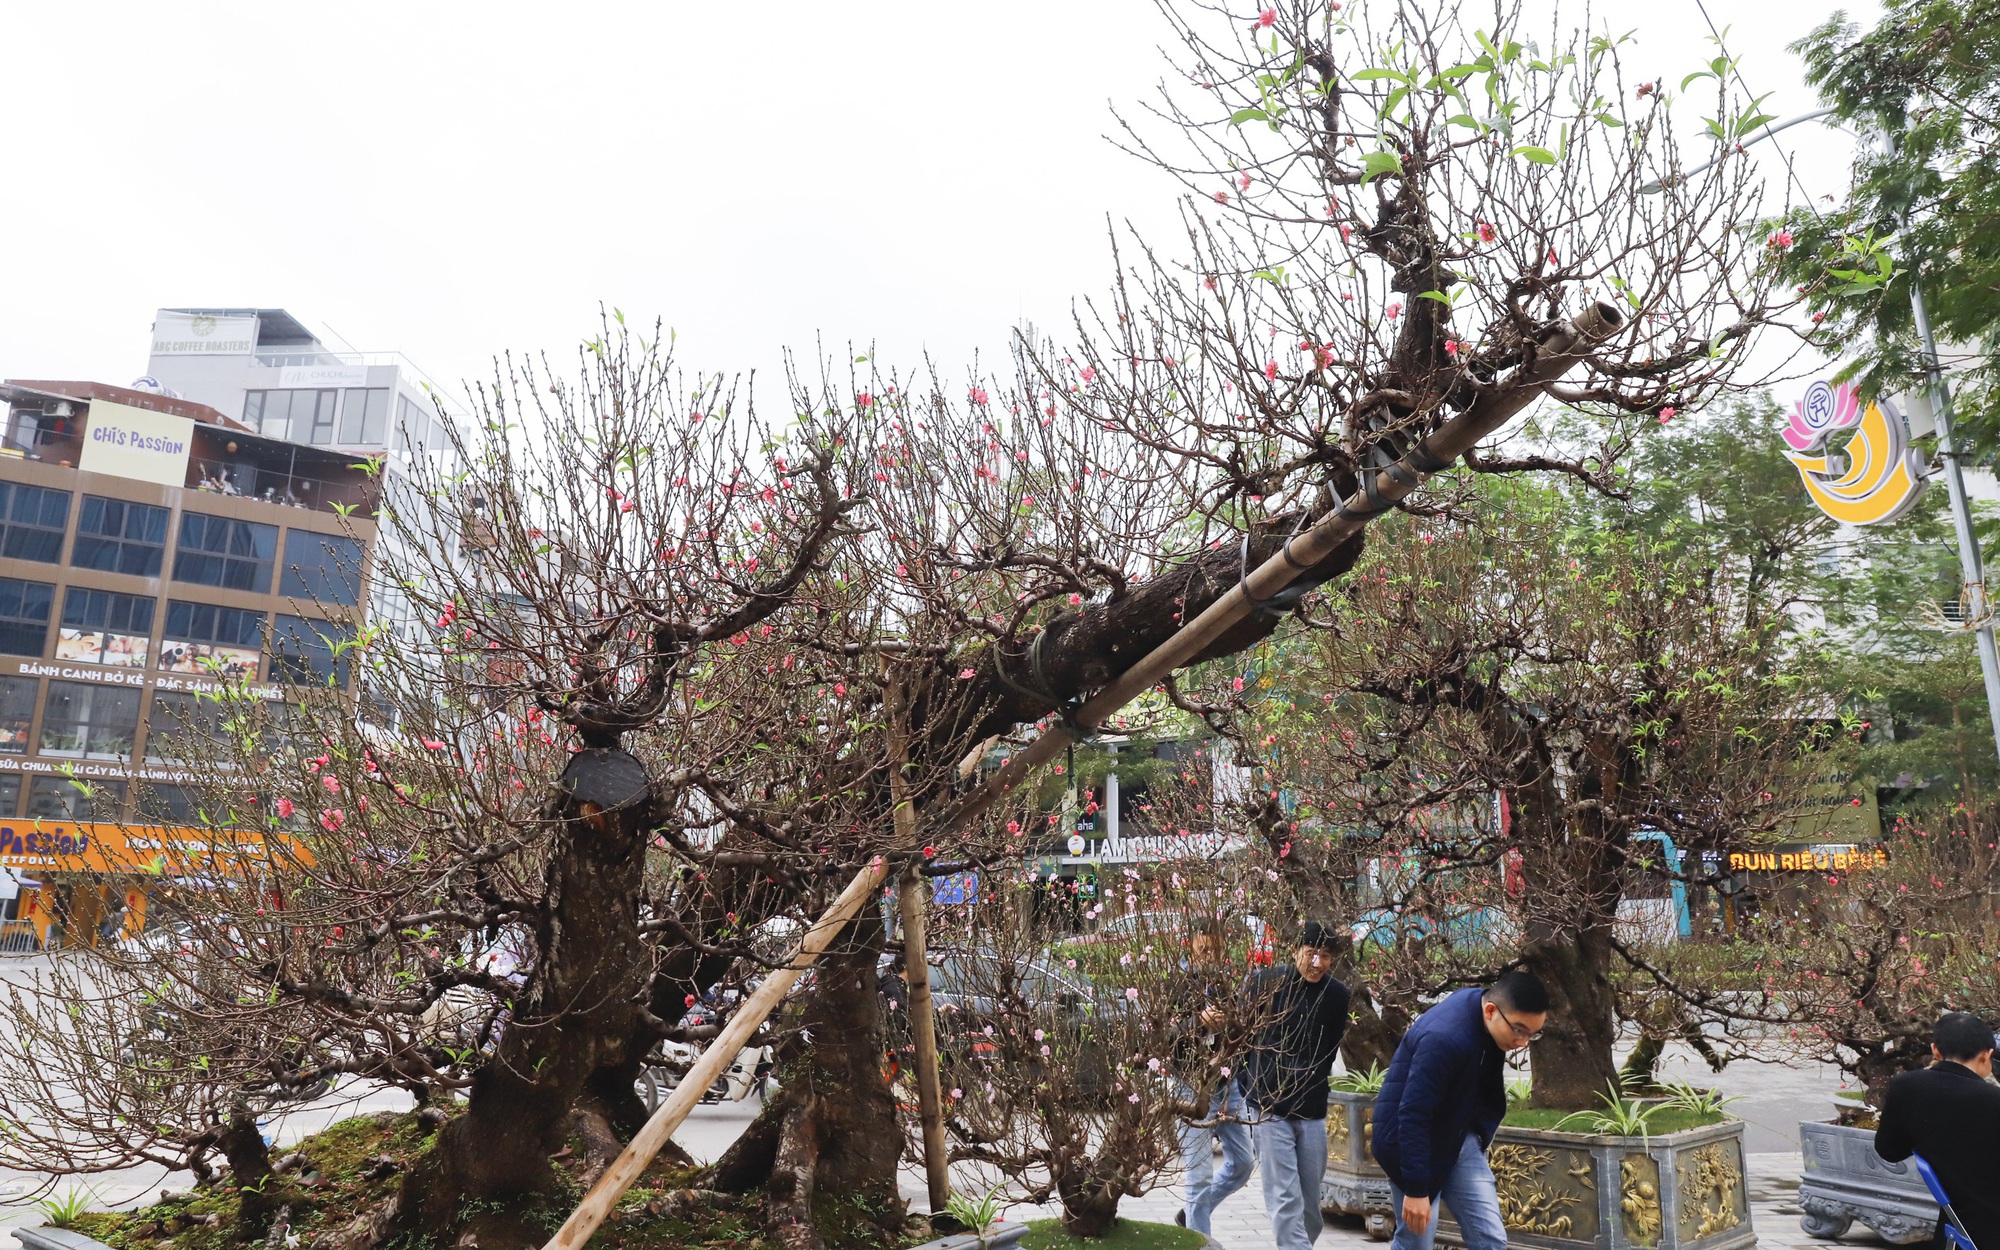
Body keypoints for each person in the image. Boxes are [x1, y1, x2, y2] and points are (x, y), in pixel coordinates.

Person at [1373, 969, 1550, 1250]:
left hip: (1457, 1136)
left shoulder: (1485, 1015)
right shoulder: (1445, 1039)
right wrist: (1417, 1190)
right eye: (1519, 1030)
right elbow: (1413, 1115)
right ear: (1491, 1011)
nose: (1523, 1042)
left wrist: (1478, 1134)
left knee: (1490, 1240)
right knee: (1416, 1243)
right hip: (1411, 1143)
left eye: (1532, 1034)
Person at [1221, 921, 1350, 1250]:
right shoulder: (1266, 983)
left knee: (1309, 1205)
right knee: (1284, 1197)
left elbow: (1329, 1049)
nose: (1317, 963)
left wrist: (1312, 1080)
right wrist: (1250, 1087)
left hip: (1312, 1108)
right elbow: (1241, 1037)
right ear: (1296, 952)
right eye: (1311, 954)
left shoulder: (1337, 995)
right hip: (1268, 1108)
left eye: (1324, 956)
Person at [1874, 1011, 2000, 1250]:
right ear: (1987, 1055)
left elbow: (1889, 1151)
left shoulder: (1905, 1086)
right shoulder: (1994, 1100)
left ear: (1935, 1051)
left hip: (1957, 1225)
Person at [1175, 926, 1254, 1236]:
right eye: (1203, 951)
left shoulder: (1224, 982)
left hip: (1226, 1083)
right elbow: (1162, 1041)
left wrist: (1230, 1022)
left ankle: (1192, 1213)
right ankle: (1200, 1240)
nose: (1210, 958)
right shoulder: (1176, 983)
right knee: (1199, 1177)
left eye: (1215, 952)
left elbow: (1243, 1031)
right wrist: (1198, 1022)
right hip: (1191, 1087)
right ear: (1190, 946)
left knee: (1244, 1164)